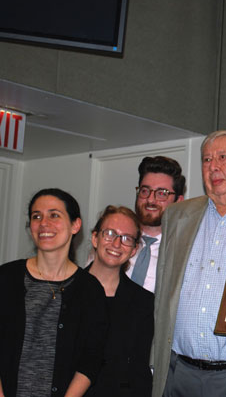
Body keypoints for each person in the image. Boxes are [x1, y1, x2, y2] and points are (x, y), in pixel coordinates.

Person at [152, 130, 226, 397]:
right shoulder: (176, 216)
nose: (213, 167)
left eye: (222, 157)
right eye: (206, 160)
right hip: (177, 372)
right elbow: (162, 295)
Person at [0, 188, 107, 397]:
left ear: (75, 225)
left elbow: (91, 359)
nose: (43, 223)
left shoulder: (90, 289)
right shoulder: (6, 277)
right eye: (36, 216)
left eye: (54, 215)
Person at [85, 206, 154, 397]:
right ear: (94, 238)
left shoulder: (145, 303)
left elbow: (139, 372)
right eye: (109, 234)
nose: (116, 243)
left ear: (134, 250)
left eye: (126, 238)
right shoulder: (67, 291)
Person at [126, 156, 185, 292]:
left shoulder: (183, 254)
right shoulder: (116, 243)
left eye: (162, 193)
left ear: (178, 201)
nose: (150, 200)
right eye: (145, 191)